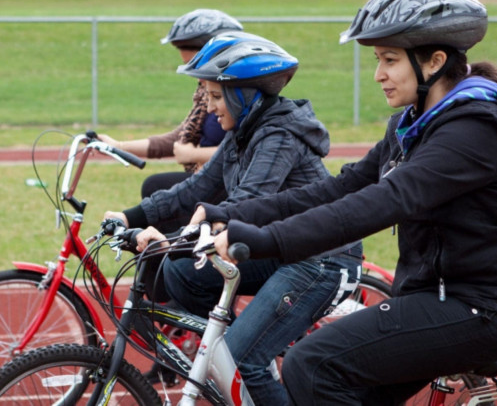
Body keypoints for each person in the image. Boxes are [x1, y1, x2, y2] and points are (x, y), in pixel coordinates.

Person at [193, 0, 497, 405]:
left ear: (434, 61)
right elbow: (337, 189)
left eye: (390, 60)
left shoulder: (473, 131)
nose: (378, 75)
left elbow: (382, 203)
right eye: (378, 59)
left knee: (312, 364)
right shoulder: (410, 126)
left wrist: (267, 240)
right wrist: (229, 213)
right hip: (434, 296)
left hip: (479, 307)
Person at [104, 31, 363, 404]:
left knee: (241, 361)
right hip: (282, 246)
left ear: (243, 95)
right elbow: (195, 190)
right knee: (182, 274)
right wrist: (130, 217)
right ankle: (249, 356)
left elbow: (245, 202)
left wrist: (172, 239)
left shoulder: (279, 134)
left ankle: (246, 360)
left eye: (213, 95)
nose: (208, 107)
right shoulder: (242, 132)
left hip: (321, 259)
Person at [98, 8, 243, 201]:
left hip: (231, 184)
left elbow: (244, 150)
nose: (194, 74)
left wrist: (194, 154)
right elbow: (176, 140)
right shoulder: (205, 93)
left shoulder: (239, 93)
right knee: (155, 189)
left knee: (155, 187)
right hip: (208, 177)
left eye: (196, 64)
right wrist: (118, 146)